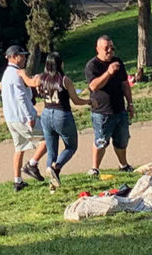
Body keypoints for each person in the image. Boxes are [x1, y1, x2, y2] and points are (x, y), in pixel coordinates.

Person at [0, 45, 51, 190]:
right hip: (22, 117)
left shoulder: (7, 73)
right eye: (23, 55)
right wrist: (30, 116)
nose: (25, 58)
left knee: (19, 147)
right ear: (14, 57)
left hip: (11, 118)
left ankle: (17, 181)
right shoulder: (16, 74)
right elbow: (21, 97)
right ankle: (32, 165)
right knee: (49, 137)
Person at [84, 36, 135, 175]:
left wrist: (130, 104)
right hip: (102, 112)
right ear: (98, 49)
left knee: (122, 140)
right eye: (106, 48)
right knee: (101, 141)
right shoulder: (92, 65)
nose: (110, 50)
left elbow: (125, 84)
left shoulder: (118, 62)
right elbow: (93, 86)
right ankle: (95, 168)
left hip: (120, 109)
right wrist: (108, 73)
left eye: (112, 47)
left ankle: (123, 165)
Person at [36, 53, 81, 181]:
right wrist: (89, 101)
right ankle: (57, 167)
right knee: (71, 147)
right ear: (60, 64)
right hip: (62, 114)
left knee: (51, 152)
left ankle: (52, 183)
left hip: (46, 113)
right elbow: (76, 100)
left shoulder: (41, 79)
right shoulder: (64, 79)